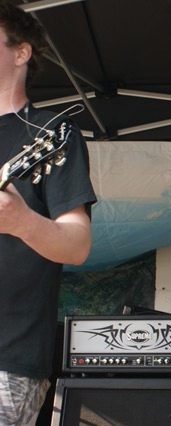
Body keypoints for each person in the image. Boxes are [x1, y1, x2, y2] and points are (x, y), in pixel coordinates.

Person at [0, 2, 96, 425]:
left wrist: (23, 222)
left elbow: (77, 244)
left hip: (8, 358)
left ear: (21, 52)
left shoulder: (51, 133)